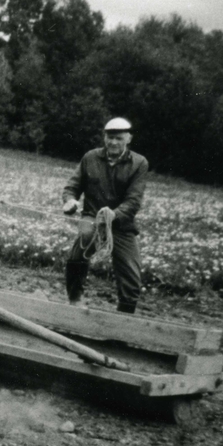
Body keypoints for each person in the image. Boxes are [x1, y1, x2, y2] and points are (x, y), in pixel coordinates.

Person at [61, 117, 149, 313]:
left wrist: (114, 214)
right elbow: (72, 187)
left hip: (122, 225)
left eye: (119, 138)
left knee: (132, 277)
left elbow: (133, 201)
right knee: (80, 249)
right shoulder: (90, 158)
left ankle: (124, 318)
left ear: (129, 139)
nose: (113, 142)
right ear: (104, 137)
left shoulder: (139, 163)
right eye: (110, 137)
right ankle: (74, 301)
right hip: (91, 219)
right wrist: (69, 200)